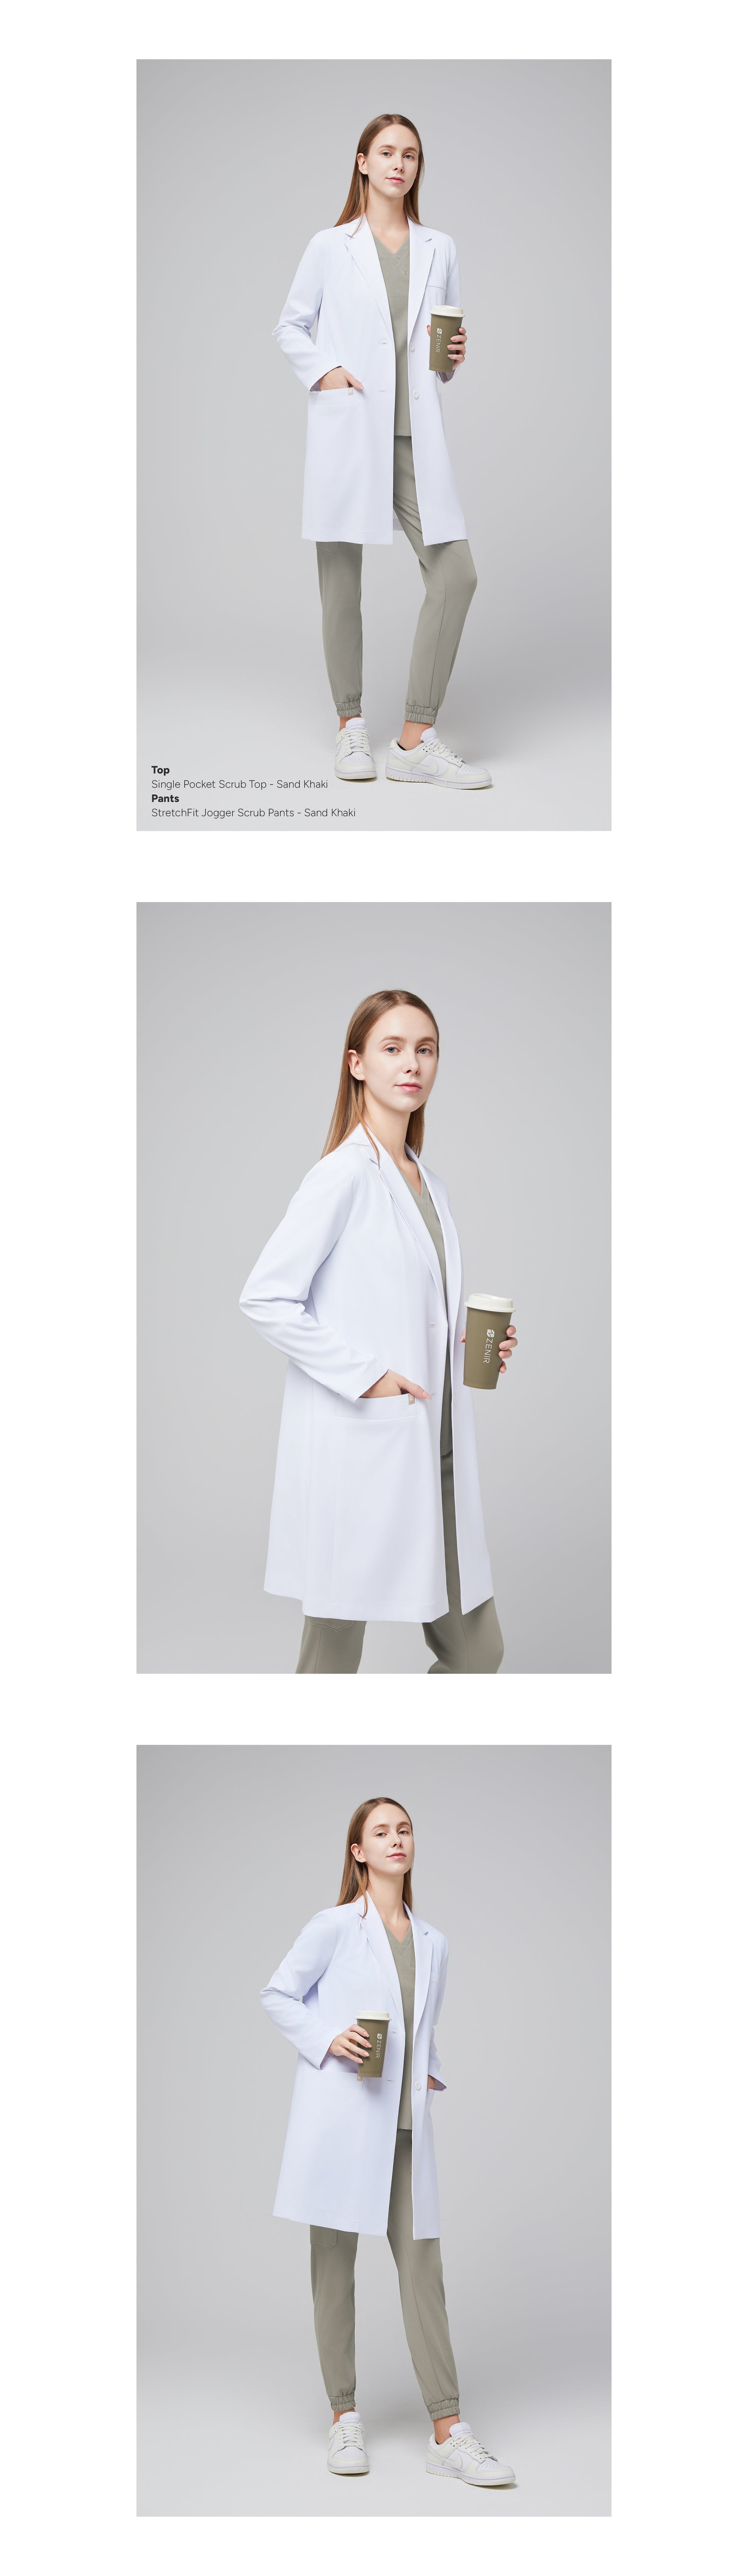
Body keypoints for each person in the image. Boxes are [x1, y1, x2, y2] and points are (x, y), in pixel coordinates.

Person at [240, 988, 517, 1673]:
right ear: (357, 1064)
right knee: (332, 1662)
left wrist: (467, 1340)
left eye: (426, 1049)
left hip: (438, 1448)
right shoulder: (342, 1176)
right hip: (367, 1446)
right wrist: (365, 1377)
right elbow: (266, 1296)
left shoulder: (429, 1184)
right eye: (393, 1048)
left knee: (478, 1654)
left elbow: (407, 1303)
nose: (412, 1064)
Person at [261, 1795, 516, 2486]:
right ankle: (344, 2416)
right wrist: (327, 2038)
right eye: (381, 1831)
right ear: (359, 1851)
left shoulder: (434, 1941)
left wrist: (429, 2069)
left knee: (423, 2271)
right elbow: (279, 1994)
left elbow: (419, 2026)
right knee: (333, 2268)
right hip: (343, 2122)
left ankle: (448, 2432)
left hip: (405, 2125)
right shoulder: (334, 1926)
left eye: (404, 1829)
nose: (396, 1839)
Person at [273, 113, 492, 788]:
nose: (400, 164)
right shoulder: (329, 245)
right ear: (363, 162)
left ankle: (414, 743)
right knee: (341, 585)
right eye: (388, 152)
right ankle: (350, 726)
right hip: (351, 426)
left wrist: (452, 358)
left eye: (412, 155)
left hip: (412, 438)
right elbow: (290, 326)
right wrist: (327, 373)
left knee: (456, 575)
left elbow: (438, 353)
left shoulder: (440, 247)